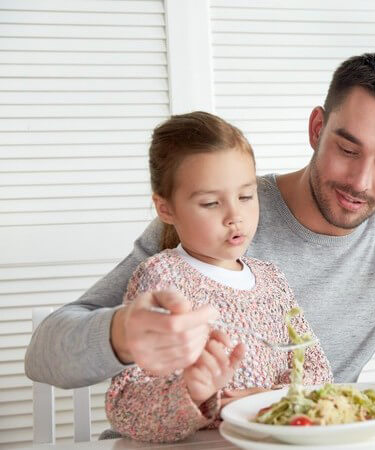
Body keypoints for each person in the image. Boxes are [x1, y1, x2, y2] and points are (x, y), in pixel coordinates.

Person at [25, 53, 375, 403]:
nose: (361, 181)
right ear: (317, 129)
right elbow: (44, 355)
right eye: (347, 149)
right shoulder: (218, 210)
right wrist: (122, 335)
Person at [103, 111, 332, 442]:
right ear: (165, 209)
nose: (235, 216)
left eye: (245, 196)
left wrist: (270, 398)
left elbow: (319, 371)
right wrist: (191, 393)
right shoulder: (161, 278)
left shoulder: (272, 279)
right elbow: (124, 406)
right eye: (211, 203)